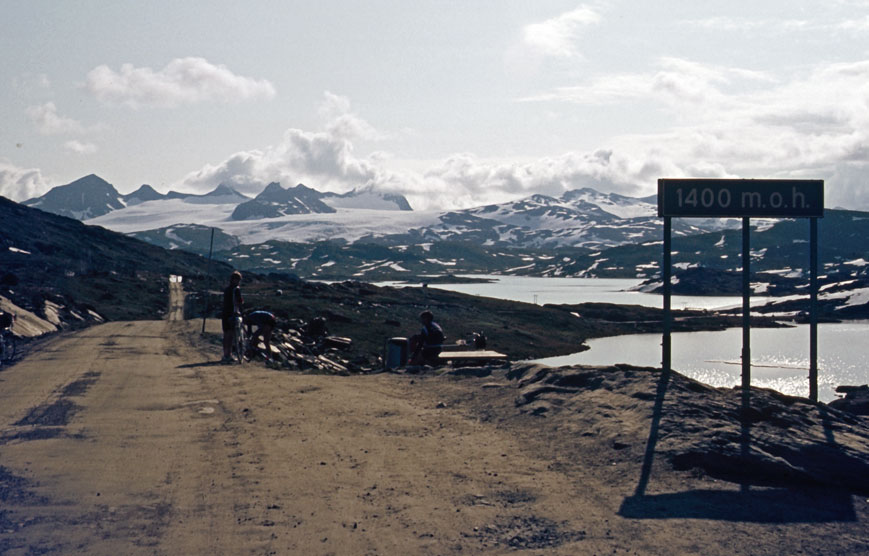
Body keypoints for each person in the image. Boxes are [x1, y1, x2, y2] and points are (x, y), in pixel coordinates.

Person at [221, 271, 244, 362]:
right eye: (238, 280)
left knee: (226, 334)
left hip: (225, 313)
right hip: (232, 313)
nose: (239, 282)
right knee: (231, 335)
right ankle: (229, 355)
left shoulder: (227, 289)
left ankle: (225, 354)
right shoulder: (236, 289)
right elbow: (239, 301)